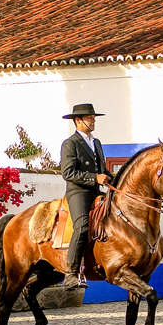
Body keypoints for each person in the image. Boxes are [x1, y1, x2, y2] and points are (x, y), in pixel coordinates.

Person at [59, 103, 113, 289]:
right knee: (82, 227)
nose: (93, 120)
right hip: (78, 191)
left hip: (97, 190)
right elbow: (68, 173)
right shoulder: (70, 143)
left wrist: (113, 180)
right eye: (90, 118)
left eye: (93, 117)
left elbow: (103, 169)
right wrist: (94, 178)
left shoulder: (96, 142)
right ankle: (71, 274)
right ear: (78, 120)